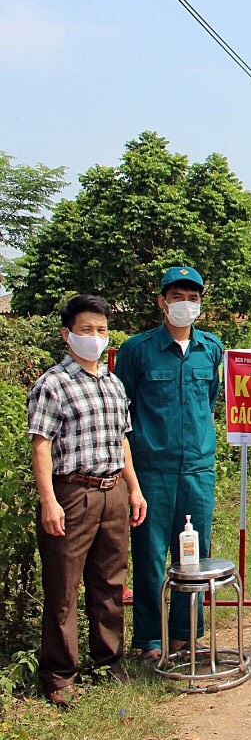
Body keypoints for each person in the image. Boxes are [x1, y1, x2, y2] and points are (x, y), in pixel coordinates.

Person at [28, 295, 147, 708]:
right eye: (85, 329)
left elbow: (122, 440)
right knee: (63, 587)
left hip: (112, 489)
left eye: (100, 330)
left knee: (111, 583)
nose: (94, 337)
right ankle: (60, 675)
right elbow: (41, 447)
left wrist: (133, 487)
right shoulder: (52, 384)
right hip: (72, 493)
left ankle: (109, 662)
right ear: (67, 334)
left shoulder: (113, 384)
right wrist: (49, 501)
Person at [115, 266, 222, 662]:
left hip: (197, 470)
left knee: (193, 557)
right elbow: (120, 411)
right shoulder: (137, 349)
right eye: (178, 296)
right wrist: (132, 479)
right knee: (148, 556)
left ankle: (185, 636)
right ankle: (148, 641)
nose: (185, 304)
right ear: (162, 301)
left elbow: (209, 400)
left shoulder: (210, 348)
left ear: (200, 305)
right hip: (151, 471)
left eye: (193, 298)